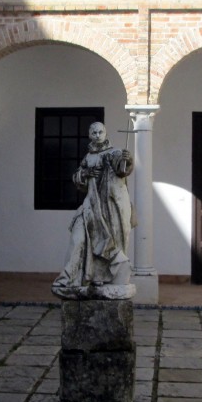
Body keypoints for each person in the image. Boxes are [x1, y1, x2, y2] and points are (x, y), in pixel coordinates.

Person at [52, 121, 134, 294]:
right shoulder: (88, 157)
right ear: (90, 135)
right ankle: (70, 277)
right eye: (94, 132)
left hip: (109, 207)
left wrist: (127, 160)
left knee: (110, 240)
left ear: (105, 133)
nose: (97, 135)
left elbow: (122, 169)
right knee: (79, 239)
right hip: (91, 206)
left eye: (100, 132)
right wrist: (85, 174)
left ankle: (102, 277)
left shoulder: (114, 152)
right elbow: (77, 178)